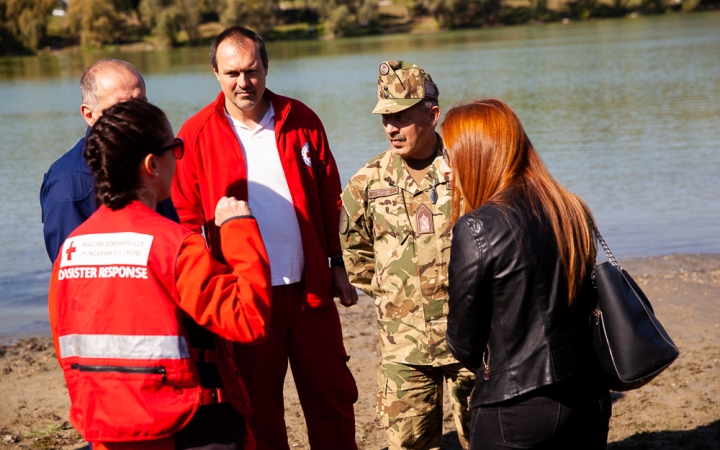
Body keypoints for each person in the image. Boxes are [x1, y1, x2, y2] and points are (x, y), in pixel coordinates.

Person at [171, 26, 358, 450]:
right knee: (259, 409)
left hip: (310, 294)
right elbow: (185, 227)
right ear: (215, 74)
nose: (243, 82)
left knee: (333, 397)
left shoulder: (302, 119)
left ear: (267, 68)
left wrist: (338, 264)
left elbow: (330, 198)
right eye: (232, 72)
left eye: (252, 71)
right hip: (246, 303)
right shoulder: (195, 135)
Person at [48, 98, 272, 450]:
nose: (178, 159)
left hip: (107, 429)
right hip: (186, 429)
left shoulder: (71, 250)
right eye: (175, 149)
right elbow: (248, 320)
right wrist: (239, 230)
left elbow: (65, 342)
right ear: (152, 164)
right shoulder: (174, 244)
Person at [440, 99, 612, 449]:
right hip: (588, 394)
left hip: (515, 409)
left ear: (475, 155)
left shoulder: (475, 228)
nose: (445, 169)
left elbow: (464, 343)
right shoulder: (571, 207)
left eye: (449, 155)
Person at [340, 60, 474, 450]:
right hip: (404, 348)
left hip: (471, 336)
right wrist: (397, 299)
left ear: (432, 115)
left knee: (487, 438)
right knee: (409, 445)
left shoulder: (466, 167)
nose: (391, 128)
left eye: (400, 116)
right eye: (385, 118)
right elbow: (357, 257)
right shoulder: (366, 184)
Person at [40, 58, 178, 263]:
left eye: (141, 104)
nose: (136, 116)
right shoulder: (70, 184)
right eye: (121, 108)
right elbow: (73, 275)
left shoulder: (149, 158)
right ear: (89, 114)